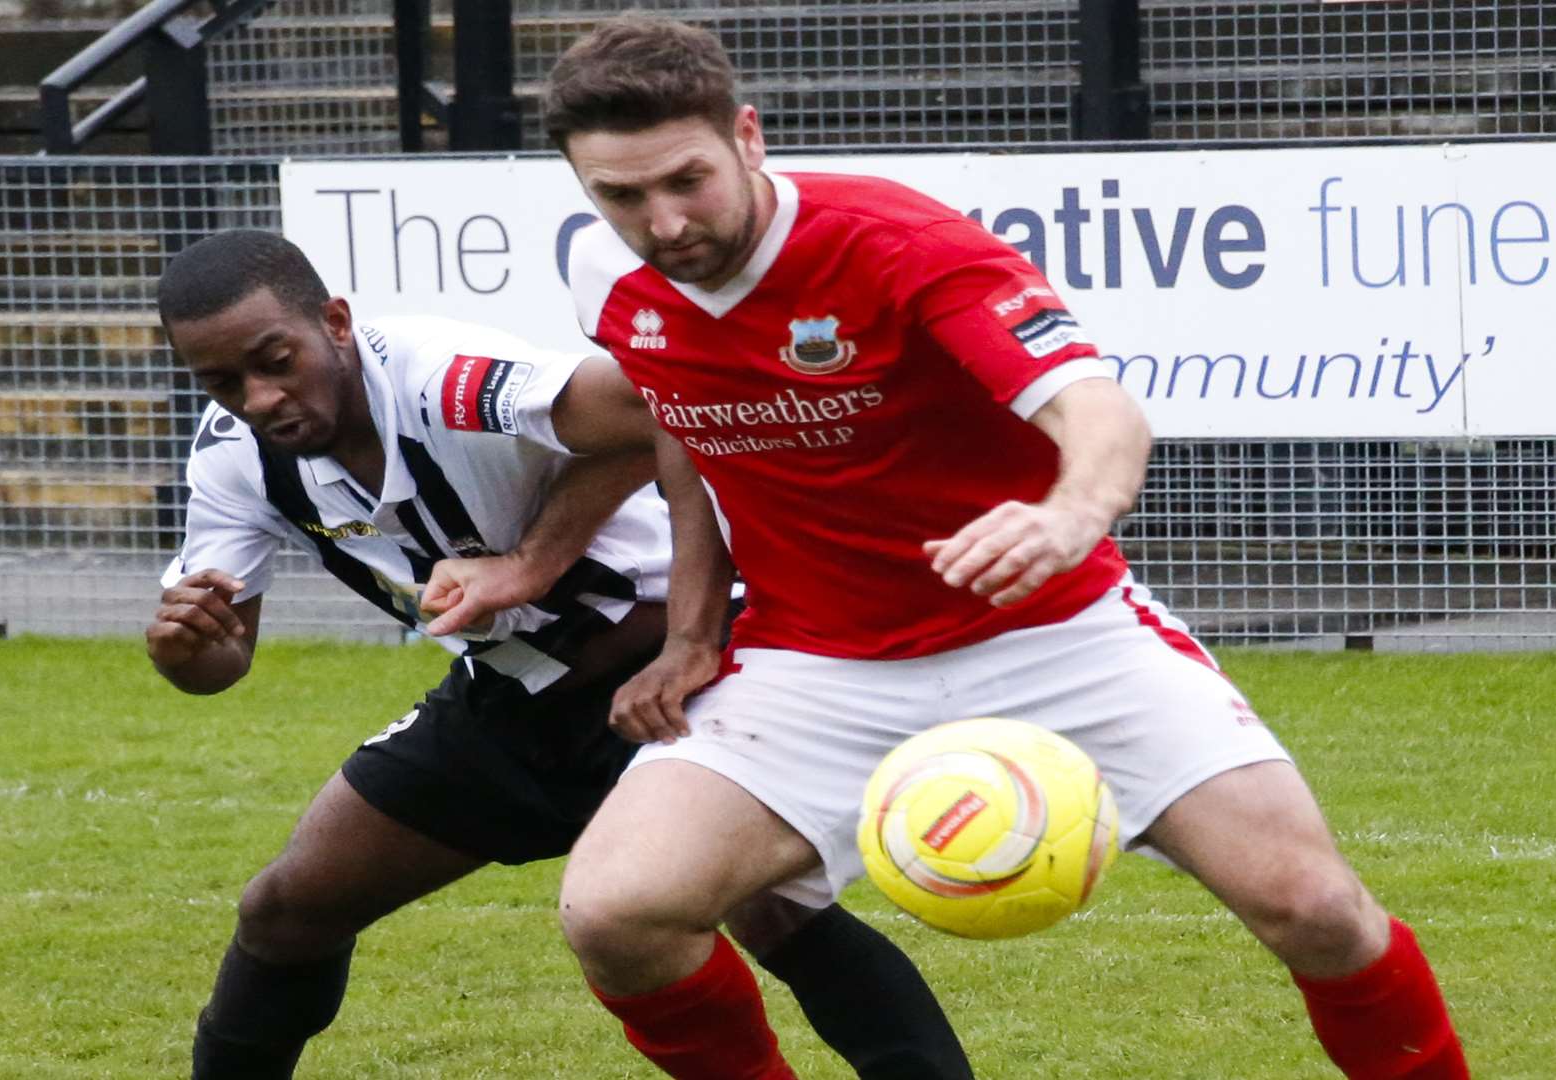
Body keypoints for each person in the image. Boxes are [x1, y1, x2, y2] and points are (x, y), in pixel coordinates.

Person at [544, 14, 1470, 1080]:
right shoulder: (611, 289)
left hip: (1056, 634)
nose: (662, 222)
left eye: (687, 181)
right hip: (814, 665)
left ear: (747, 136)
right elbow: (684, 435)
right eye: (621, 196)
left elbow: (1099, 408)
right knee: (615, 911)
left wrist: (1071, 515)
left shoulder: (897, 244)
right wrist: (694, 635)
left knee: (1315, 907)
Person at [144, 229, 974, 1079]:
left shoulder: (447, 379)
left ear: (338, 322)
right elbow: (219, 665)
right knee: (287, 909)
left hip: (662, 676)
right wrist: (185, 647)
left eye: (276, 359)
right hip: (509, 698)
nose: (261, 397)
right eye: (221, 382)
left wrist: (537, 566)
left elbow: (671, 406)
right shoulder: (234, 457)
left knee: (770, 911)